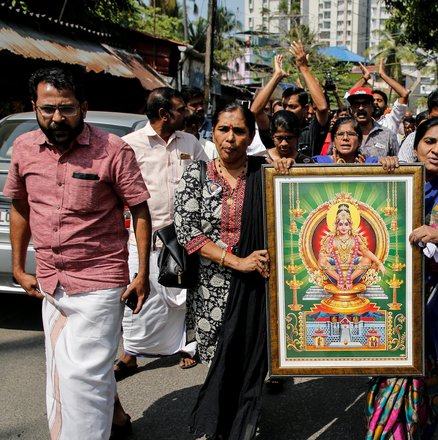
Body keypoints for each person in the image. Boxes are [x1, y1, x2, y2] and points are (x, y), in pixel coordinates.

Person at [4, 66, 151, 439]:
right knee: (61, 369)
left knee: (81, 374)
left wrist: (142, 274)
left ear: (83, 107)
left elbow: (139, 209)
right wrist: (20, 268)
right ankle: (113, 422)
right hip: (50, 282)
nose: (57, 118)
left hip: (100, 281)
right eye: (47, 109)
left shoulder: (113, 150)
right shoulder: (23, 149)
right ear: (34, 107)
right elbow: (20, 207)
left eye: (67, 108)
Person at [366, 116, 438, 439]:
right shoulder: (392, 182)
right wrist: (381, 171)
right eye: (429, 142)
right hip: (388, 301)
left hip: (432, 305)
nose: (436, 150)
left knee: (423, 374)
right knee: (390, 378)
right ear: (415, 146)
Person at [174, 101, 270, 440]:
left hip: (258, 286)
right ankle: (219, 423)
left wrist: (285, 165)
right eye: (223, 129)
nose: (230, 137)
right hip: (212, 287)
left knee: (250, 357)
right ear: (212, 133)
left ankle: (243, 421)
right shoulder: (195, 175)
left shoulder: (266, 173)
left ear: (250, 136)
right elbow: (188, 232)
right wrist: (236, 261)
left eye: (239, 131)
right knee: (220, 360)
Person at [114, 87, 207, 380]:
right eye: (181, 109)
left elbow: (207, 178)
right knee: (140, 298)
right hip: (144, 241)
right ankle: (130, 355)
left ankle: (186, 347)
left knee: (185, 296)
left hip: (184, 239)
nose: (188, 114)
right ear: (164, 114)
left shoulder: (190, 142)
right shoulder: (128, 145)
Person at [250, 42, 330, 156]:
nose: (286, 109)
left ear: (305, 108)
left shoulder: (311, 130)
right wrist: (277, 76)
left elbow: (322, 107)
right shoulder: (274, 128)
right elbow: (255, 111)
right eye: (284, 105)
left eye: (292, 106)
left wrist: (303, 67)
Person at [318, 203, 387, 289]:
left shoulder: (356, 238)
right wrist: (327, 253)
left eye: (346, 224)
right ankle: (340, 280)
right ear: (336, 226)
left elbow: (365, 251)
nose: (343, 227)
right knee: (322, 260)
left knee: (366, 259)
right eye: (340, 224)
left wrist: (378, 263)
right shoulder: (330, 239)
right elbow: (321, 257)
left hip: (353, 272)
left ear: (350, 225)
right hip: (336, 271)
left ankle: (349, 280)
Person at [352, 58, 410, 136]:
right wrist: (365, 78)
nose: (375, 102)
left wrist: (383, 75)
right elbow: (348, 97)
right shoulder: (360, 120)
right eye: (373, 100)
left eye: (379, 100)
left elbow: (404, 94)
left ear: (386, 105)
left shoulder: (391, 119)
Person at [346, 86, 400, 159]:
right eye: (356, 104)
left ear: (372, 107)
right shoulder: (343, 135)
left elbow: (399, 163)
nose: (361, 108)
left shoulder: (388, 135)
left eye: (365, 104)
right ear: (351, 109)